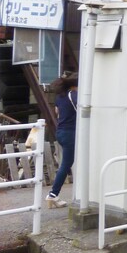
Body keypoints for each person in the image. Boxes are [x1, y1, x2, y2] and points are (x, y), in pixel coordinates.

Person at [46, 74, 78, 208]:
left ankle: (54, 195)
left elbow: (57, 111)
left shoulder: (61, 96)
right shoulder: (73, 95)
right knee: (66, 164)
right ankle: (52, 195)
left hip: (61, 132)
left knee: (67, 162)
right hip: (70, 132)